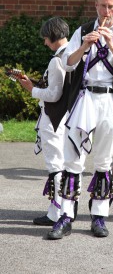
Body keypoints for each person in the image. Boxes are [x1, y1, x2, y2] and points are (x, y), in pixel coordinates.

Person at [47, 0, 113, 240]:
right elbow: (66, 63)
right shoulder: (83, 30)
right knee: (73, 158)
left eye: (111, 7)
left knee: (104, 161)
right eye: (103, 6)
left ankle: (99, 216)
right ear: (95, 5)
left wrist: (111, 44)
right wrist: (85, 47)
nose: (107, 11)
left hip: (111, 100)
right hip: (85, 97)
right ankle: (66, 216)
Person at [17, 17, 73, 227]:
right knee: (64, 165)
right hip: (67, 118)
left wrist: (31, 90)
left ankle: (57, 213)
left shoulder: (57, 58)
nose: (45, 43)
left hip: (54, 118)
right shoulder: (72, 54)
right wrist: (34, 84)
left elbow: (54, 93)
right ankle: (60, 210)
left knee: (55, 166)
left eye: (46, 39)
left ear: (53, 35)